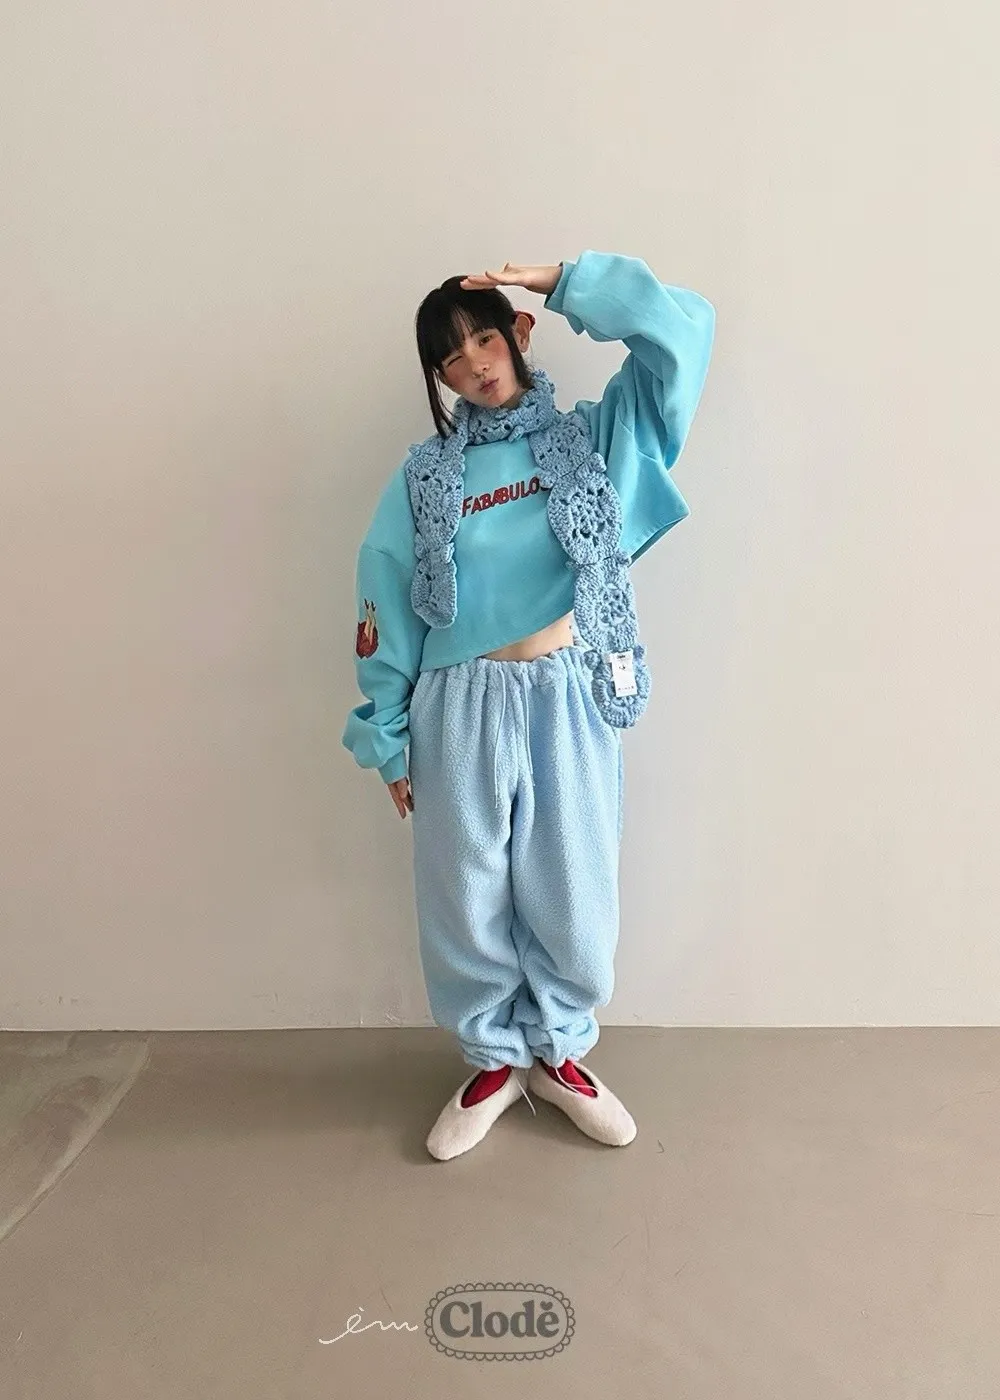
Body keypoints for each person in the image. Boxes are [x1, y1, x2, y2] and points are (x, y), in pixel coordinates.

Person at [343, 252, 715, 1160]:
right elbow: (384, 596)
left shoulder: (597, 440)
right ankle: (493, 1063)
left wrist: (567, 280)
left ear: (518, 332)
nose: (473, 363)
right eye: (450, 357)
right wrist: (387, 737)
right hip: (455, 706)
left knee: (574, 890)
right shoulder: (425, 478)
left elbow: (684, 333)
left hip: (566, 694)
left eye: (482, 337)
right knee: (464, 895)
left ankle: (559, 1054)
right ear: (438, 377)